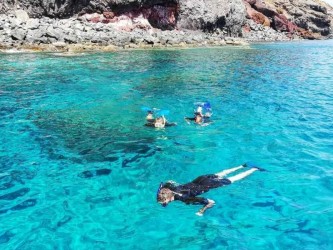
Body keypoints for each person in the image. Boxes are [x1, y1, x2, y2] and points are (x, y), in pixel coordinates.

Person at [156, 163, 265, 216]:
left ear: (167, 199)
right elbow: (164, 184)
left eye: (163, 202)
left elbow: (210, 202)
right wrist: (161, 193)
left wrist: (201, 211)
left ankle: (254, 169)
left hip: (207, 185)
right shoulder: (170, 188)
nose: (163, 203)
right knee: (221, 173)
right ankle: (242, 165)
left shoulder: (185, 199)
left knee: (233, 179)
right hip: (200, 178)